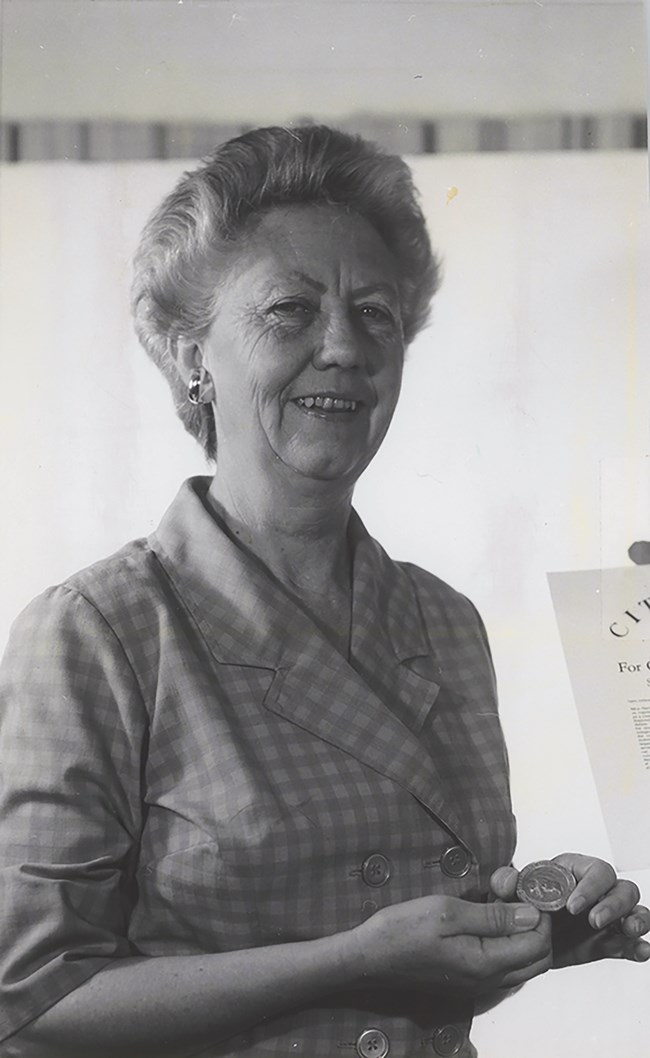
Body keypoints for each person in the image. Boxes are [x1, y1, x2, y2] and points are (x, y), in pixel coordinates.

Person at [0, 124, 648, 1058]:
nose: (344, 347)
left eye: (375, 313)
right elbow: (29, 1005)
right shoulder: (97, 632)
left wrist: (539, 932)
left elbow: (420, 968)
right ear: (193, 357)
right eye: (289, 310)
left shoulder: (445, 620)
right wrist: (351, 961)